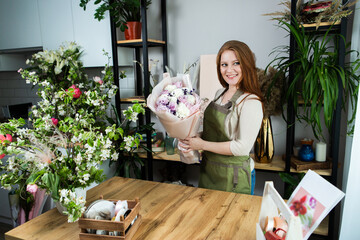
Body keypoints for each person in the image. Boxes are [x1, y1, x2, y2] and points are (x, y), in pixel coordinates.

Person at [180, 40, 264, 194]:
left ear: (247, 64)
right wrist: (192, 138)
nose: (229, 70)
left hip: (234, 176)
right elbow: (214, 132)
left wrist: (201, 145)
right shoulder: (220, 93)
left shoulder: (251, 102)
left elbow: (242, 147)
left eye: (236, 63)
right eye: (224, 64)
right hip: (210, 170)